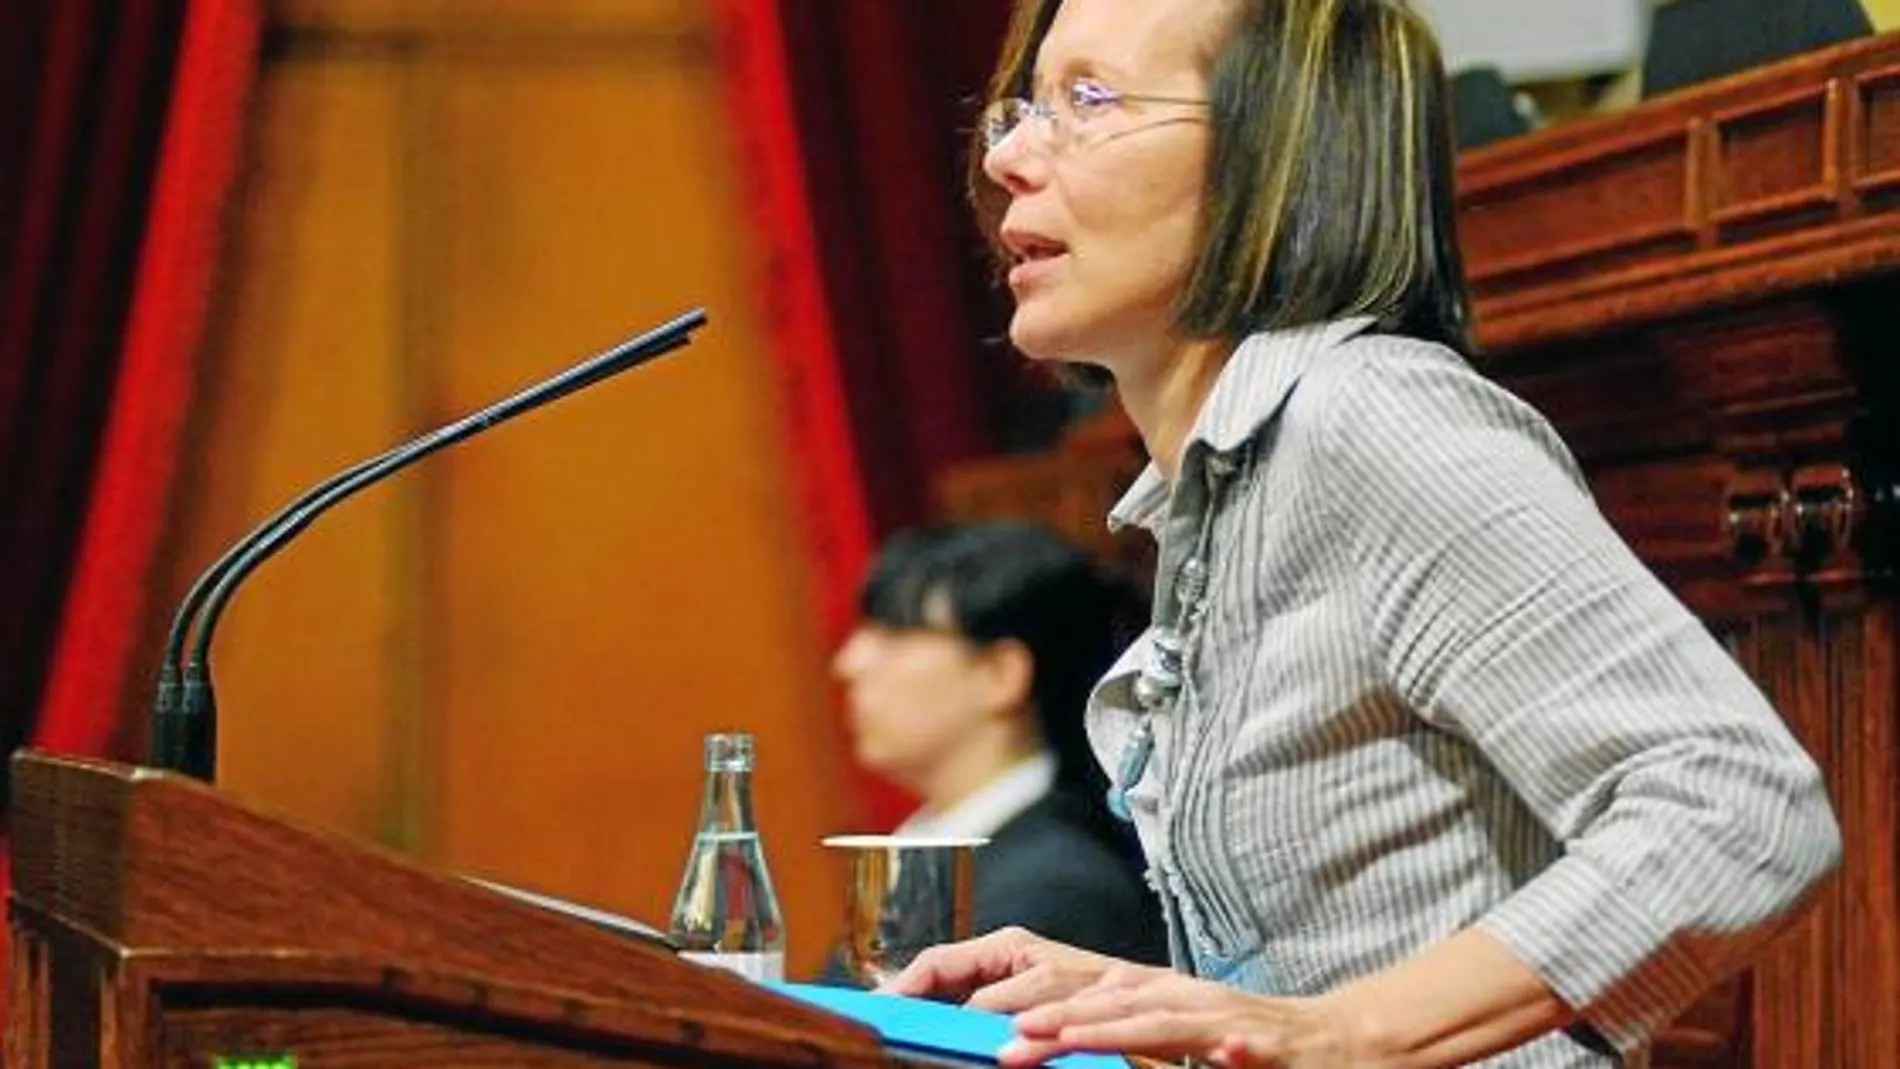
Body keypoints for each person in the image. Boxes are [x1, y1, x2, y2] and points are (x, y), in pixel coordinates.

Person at [881, 1, 1843, 1067]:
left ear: (1272, 154)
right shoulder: (1229, 483)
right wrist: (1154, 1006)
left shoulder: (1371, 418)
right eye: (1019, 109)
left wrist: (1344, 1030)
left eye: (1089, 100)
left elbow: (1741, 805)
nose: (1009, 155)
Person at [824, 521, 1168, 981]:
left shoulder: (1054, 888)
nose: (849, 663)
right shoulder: (940, 856)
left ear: (1001, 675)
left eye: (893, 635)